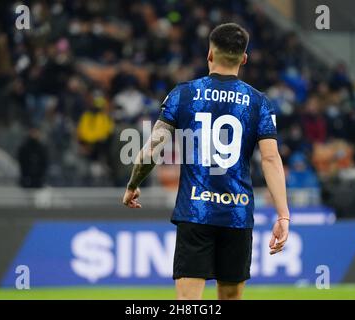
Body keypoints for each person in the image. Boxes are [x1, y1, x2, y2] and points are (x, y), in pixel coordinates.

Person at [122, 23, 290, 300]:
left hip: (195, 211)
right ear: (244, 59)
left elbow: (153, 148)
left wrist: (133, 184)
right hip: (237, 214)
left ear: (209, 54)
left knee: (188, 303)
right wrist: (283, 214)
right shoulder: (259, 102)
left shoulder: (183, 94)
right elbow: (270, 158)